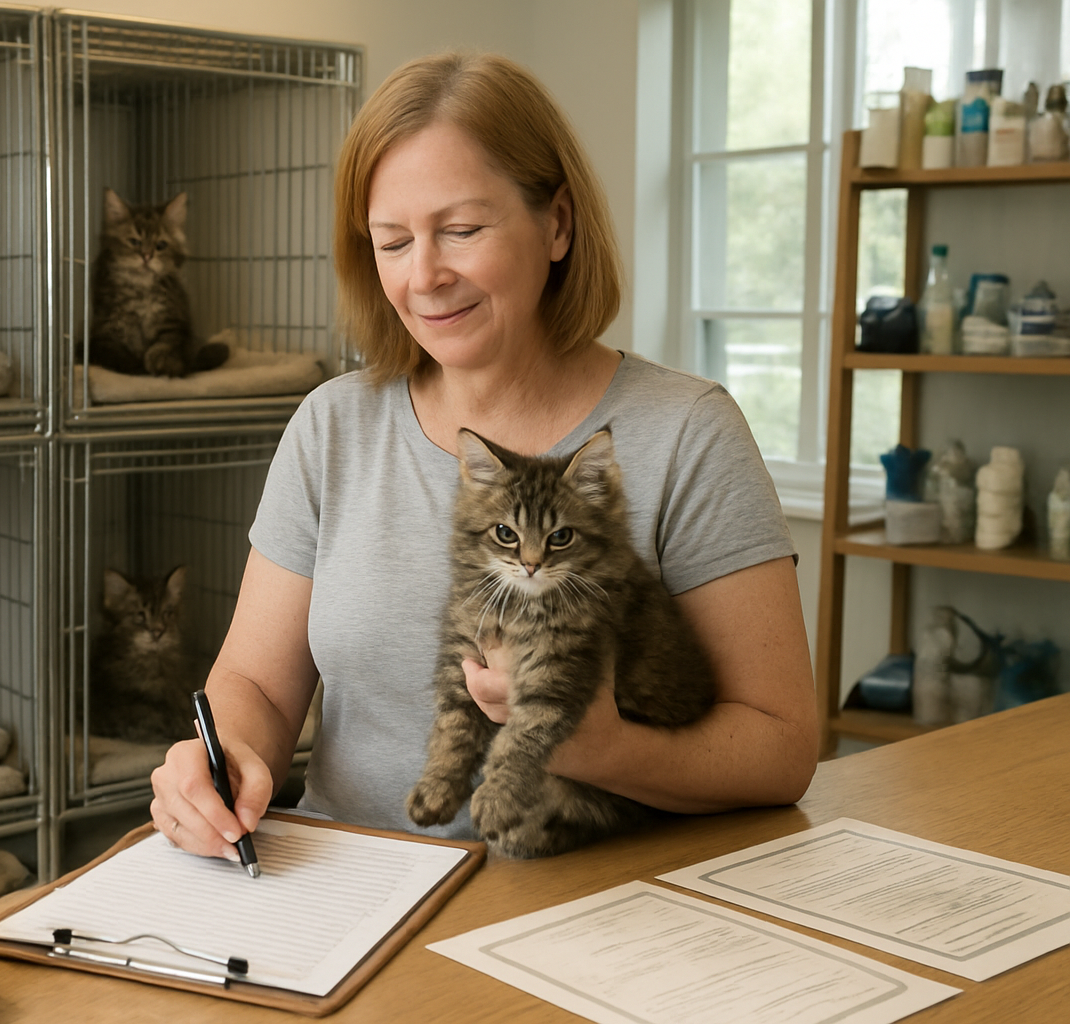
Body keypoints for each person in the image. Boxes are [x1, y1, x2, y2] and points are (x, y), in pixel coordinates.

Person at [150, 51, 818, 864]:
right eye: (392, 242)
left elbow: (781, 747)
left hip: (581, 901)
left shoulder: (685, 432)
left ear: (558, 224)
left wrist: (600, 749)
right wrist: (222, 761)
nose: (424, 276)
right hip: (345, 890)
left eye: (461, 231)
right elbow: (253, 685)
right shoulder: (332, 426)